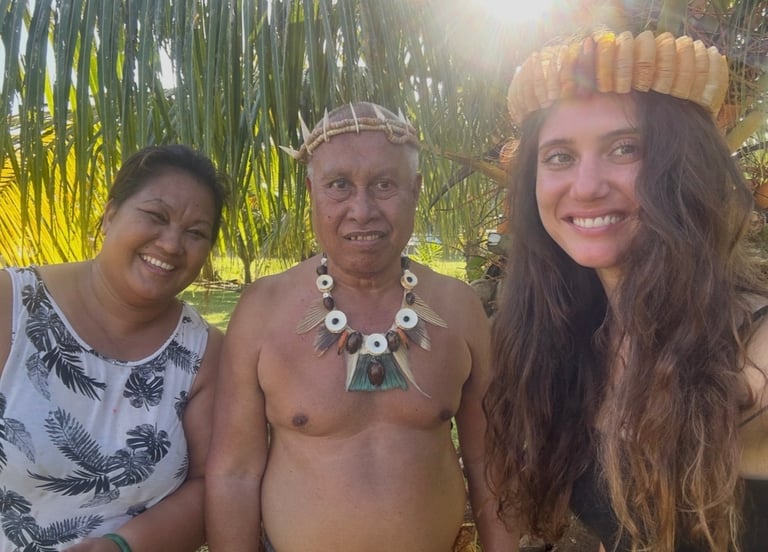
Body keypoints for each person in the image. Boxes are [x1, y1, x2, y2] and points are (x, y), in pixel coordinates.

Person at [484, 29, 768, 551]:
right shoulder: (572, 336)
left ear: (683, 165)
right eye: (560, 156)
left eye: (624, 148)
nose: (587, 186)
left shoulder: (755, 353)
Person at [205, 102, 519, 552]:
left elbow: (490, 464)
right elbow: (233, 473)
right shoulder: (263, 310)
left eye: (384, 185)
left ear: (415, 189)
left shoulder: (459, 307)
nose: (362, 209)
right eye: (339, 185)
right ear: (312, 191)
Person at [0, 144, 226, 551]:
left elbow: (211, 484)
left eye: (195, 233)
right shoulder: (10, 305)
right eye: (156, 216)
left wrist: (121, 546)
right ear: (110, 215)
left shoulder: (204, 352)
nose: (172, 245)